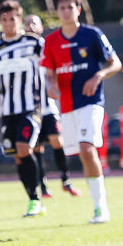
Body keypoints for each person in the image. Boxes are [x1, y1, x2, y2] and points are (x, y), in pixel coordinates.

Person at [41, 0, 122, 224]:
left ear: (78, 9)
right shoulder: (51, 41)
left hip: (91, 102)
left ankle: (101, 208)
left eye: (70, 7)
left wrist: (98, 76)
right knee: (81, 155)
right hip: (66, 106)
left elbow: (115, 63)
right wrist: (50, 86)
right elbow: (49, 74)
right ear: (57, 12)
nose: (66, 11)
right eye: (62, 8)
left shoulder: (92, 35)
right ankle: (97, 205)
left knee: (87, 149)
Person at [0, 1, 46, 217]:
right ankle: (32, 196)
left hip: (31, 107)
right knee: (17, 156)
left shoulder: (33, 42)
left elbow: (49, 64)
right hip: (7, 110)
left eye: (12, 19)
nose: (8, 24)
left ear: (19, 18)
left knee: (24, 148)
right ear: (0, 21)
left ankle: (36, 198)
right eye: (4, 20)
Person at [24, 14, 78, 198]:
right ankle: (43, 185)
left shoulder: (49, 47)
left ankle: (65, 180)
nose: (31, 25)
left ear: (41, 27)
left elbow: (56, 71)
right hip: (31, 109)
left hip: (49, 108)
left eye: (34, 22)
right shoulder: (22, 50)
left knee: (57, 141)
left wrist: (54, 87)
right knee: (37, 147)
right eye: (27, 23)